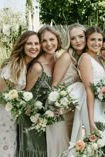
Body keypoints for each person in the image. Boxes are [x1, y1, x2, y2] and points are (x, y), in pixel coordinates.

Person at [0, 31, 40, 157]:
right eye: (29, 43)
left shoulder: (25, 65)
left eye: (36, 43)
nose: (34, 47)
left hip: (10, 113)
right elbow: (2, 93)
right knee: (1, 149)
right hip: (0, 112)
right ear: (22, 46)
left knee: (8, 148)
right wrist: (23, 105)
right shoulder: (15, 65)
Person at [17, 25, 62, 157]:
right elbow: (25, 94)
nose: (49, 44)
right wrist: (35, 114)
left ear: (57, 40)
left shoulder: (58, 61)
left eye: (52, 39)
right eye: (44, 41)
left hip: (48, 118)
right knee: (37, 152)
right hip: (32, 118)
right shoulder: (37, 66)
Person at [46, 23, 87, 157]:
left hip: (75, 111)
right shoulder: (66, 57)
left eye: (81, 36)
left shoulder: (84, 58)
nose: (78, 41)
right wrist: (58, 105)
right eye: (73, 38)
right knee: (61, 150)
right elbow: (55, 84)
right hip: (61, 112)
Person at [78, 26, 105, 144]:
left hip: (101, 106)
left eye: (99, 40)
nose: (97, 43)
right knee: (98, 143)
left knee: (103, 143)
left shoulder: (99, 58)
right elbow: (89, 90)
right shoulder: (86, 58)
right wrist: (91, 121)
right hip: (92, 107)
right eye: (93, 40)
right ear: (86, 41)